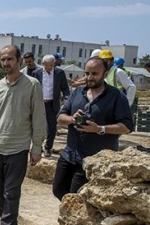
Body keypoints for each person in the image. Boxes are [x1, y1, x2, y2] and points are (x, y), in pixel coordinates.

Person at [0, 45, 45, 225]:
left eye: (10, 59)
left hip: (18, 148)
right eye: (2, 59)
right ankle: (8, 224)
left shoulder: (32, 85)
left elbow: (38, 117)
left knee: (12, 193)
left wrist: (36, 147)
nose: (6, 63)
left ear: (19, 60)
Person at [52, 56, 132, 200]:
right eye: (87, 73)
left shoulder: (117, 97)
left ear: (105, 74)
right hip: (70, 154)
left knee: (76, 197)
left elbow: (126, 127)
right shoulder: (78, 93)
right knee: (58, 190)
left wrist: (99, 128)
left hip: (93, 159)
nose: (89, 77)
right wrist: (72, 119)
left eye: (94, 74)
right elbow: (60, 117)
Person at [32, 54, 70, 157]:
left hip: (52, 104)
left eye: (52, 65)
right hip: (39, 103)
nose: (50, 67)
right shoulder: (36, 73)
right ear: (43, 64)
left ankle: (48, 148)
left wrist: (67, 97)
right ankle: (37, 147)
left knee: (52, 127)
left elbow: (65, 87)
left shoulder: (59, 73)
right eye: (48, 65)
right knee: (37, 126)